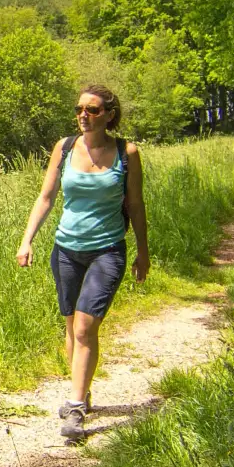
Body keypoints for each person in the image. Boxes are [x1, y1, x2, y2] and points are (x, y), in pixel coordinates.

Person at [15, 84, 149, 442]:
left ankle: (75, 408)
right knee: (72, 325)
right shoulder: (65, 147)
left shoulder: (127, 153)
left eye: (92, 110)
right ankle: (81, 389)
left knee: (86, 327)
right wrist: (27, 239)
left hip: (107, 250)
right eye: (79, 109)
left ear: (109, 115)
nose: (83, 116)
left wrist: (143, 251)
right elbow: (46, 197)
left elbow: (136, 204)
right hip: (66, 250)